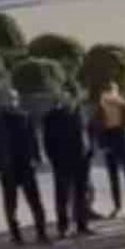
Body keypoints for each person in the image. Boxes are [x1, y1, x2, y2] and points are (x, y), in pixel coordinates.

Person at [0, 90, 50, 245]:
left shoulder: (25, 117)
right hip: (7, 167)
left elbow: (33, 139)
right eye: (8, 98)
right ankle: (16, 235)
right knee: (10, 203)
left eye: (14, 98)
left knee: (35, 201)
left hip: (26, 165)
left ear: (18, 100)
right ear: (3, 100)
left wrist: (37, 158)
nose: (11, 101)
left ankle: (42, 233)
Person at [43, 93, 92, 238]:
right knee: (62, 196)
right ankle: (63, 227)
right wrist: (53, 159)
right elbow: (48, 140)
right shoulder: (52, 117)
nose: (69, 101)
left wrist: (90, 151)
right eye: (66, 99)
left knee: (81, 194)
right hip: (62, 161)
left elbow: (88, 132)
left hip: (82, 160)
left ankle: (82, 225)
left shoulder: (80, 113)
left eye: (71, 98)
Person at [92, 81, 125, 220]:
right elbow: (95, 126)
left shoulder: (124, 106)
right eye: (107, 92)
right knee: (113, 177)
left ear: (116, 92)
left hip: (122, 137)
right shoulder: (100, 108)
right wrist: (101, 143)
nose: (109, 95)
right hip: (109, 138)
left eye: (112, 91)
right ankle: (117, 206)